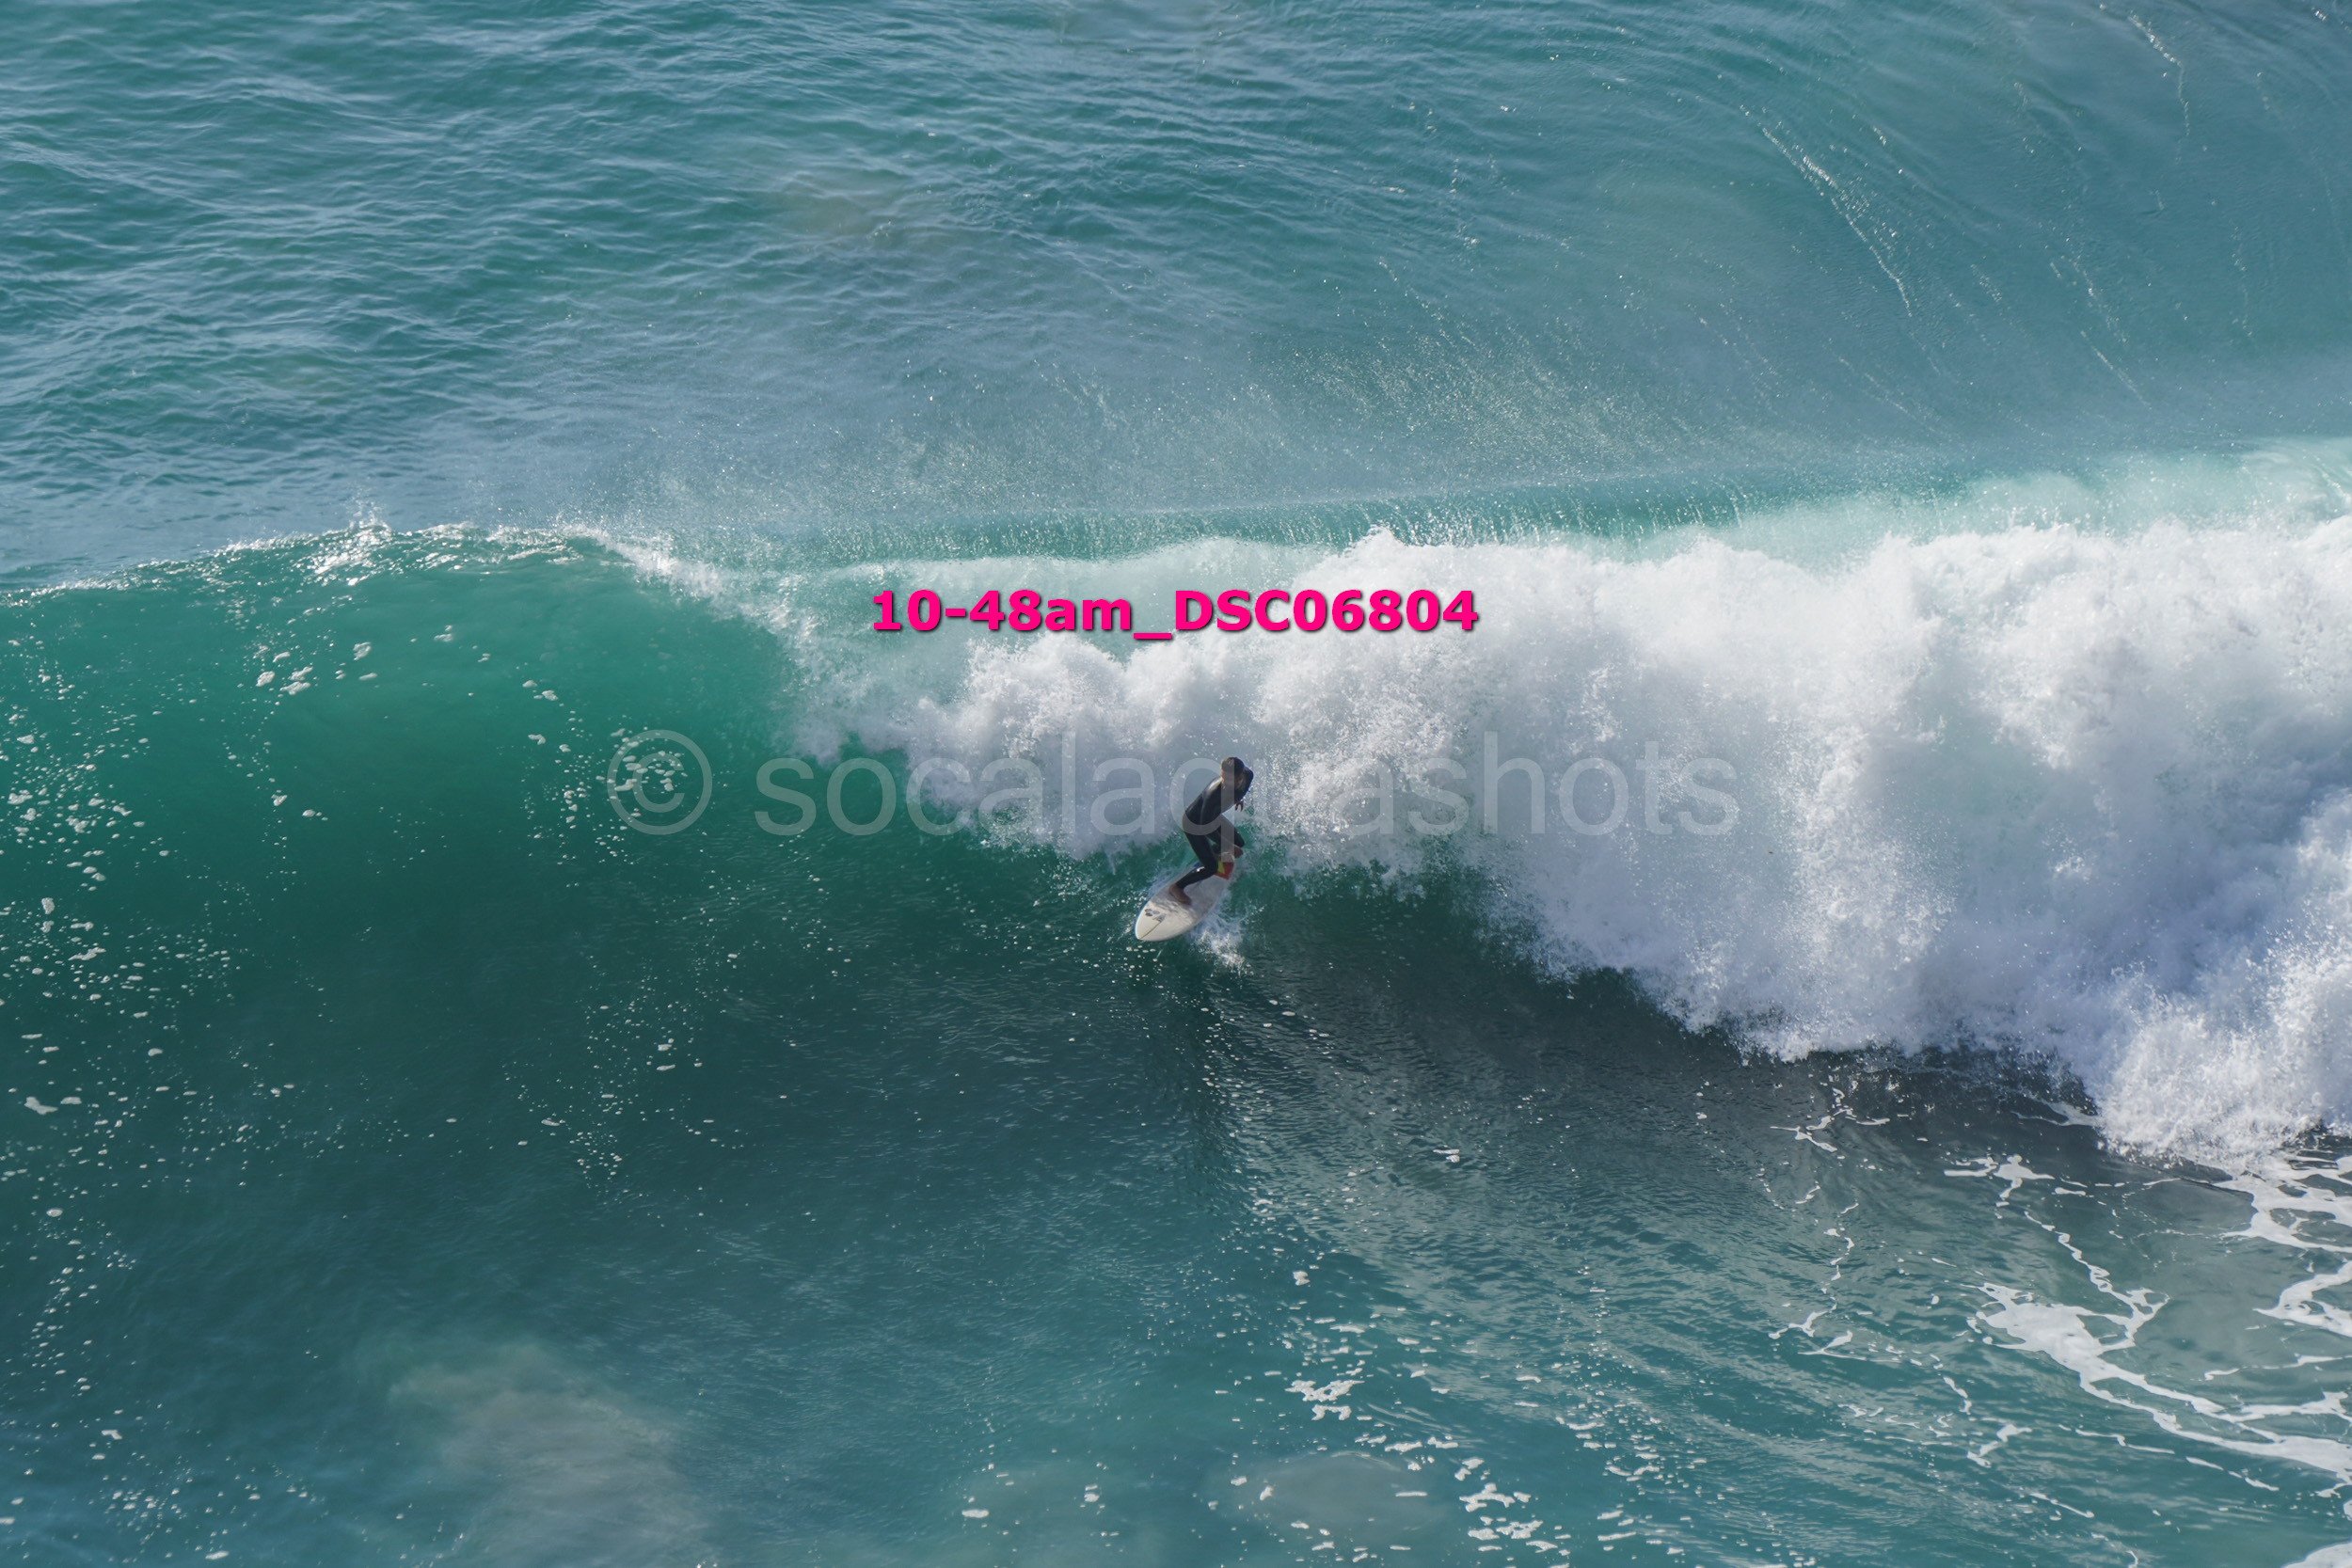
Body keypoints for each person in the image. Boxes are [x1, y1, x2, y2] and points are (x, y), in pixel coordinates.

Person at [1171, 756, 1252, 906]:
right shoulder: (1213, 794)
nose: (1224, 782)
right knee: (1211, 868)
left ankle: (1211, 854)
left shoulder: (1248, 775)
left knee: (1239, 842)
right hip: (1195, 824)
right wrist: (1228, 846)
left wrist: (1238, 797)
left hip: (1212, 818)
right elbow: (1204, 826)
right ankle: (1177, 887)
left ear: (1240, 777)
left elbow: (1242, 789)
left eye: (1229, 780)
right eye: (1223, 777)